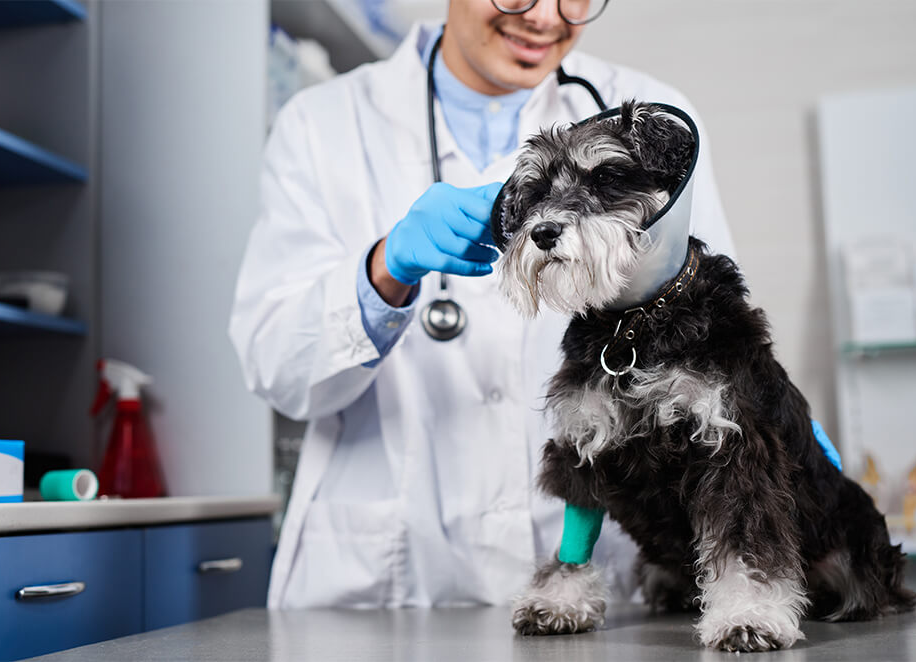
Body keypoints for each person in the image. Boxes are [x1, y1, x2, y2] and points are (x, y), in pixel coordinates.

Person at [231, 0, 827, 609]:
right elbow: (276, 366)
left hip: (619, 594)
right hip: (392, 580)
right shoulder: (322, 122)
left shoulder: (653, 115)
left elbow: (704, 304)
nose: (544, 16)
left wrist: (764, 403)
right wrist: (386, 267)